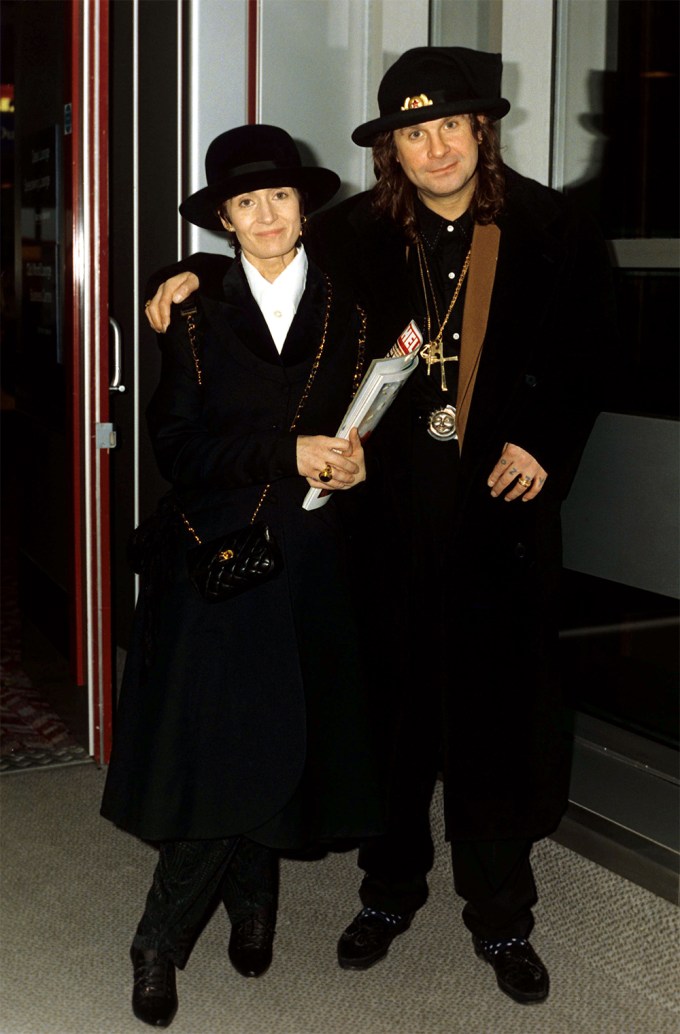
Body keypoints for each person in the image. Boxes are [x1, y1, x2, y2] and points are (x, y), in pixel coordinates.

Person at [144, 48, 616, 1006]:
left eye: (450, 125)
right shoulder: (356, 233)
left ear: (483, 129)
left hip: (500, 516)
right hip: (386, 519)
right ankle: (389, 894)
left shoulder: (554, 225)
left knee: (494, 719)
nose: (434, 146)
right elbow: (263, 258)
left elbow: (592, 351)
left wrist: (544, 440)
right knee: (392, 719)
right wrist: (181, 273)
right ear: (389, 148)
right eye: (413, 131)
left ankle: (501, 915)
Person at [101, 124, 386, 1029]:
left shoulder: (352, 306)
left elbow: (363, 416)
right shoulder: (190, 304)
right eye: (246, 202)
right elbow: (176, 449)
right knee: (222, 745)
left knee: (280, 730)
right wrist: (286, 452)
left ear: (304, 210)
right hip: (214, 555)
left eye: (281, 198)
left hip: (310, 557)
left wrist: (352, 460)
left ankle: (254, 905)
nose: (266, 215)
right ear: (224, 219)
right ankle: (160, 938)